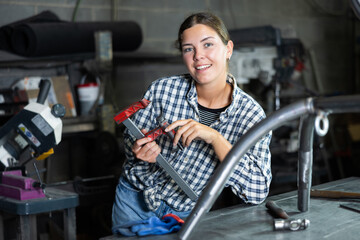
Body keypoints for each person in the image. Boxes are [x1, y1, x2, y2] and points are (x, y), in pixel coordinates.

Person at [112, 12, 272, 236]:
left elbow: (257, 190)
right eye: (189, 49)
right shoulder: (162, 90)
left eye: (208, 45)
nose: (198, 56)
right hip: (134, 201)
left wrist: (215, 138)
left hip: (186, 213)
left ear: (228, 49)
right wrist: (137, 149)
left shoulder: (251, 115)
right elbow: (131, 142)